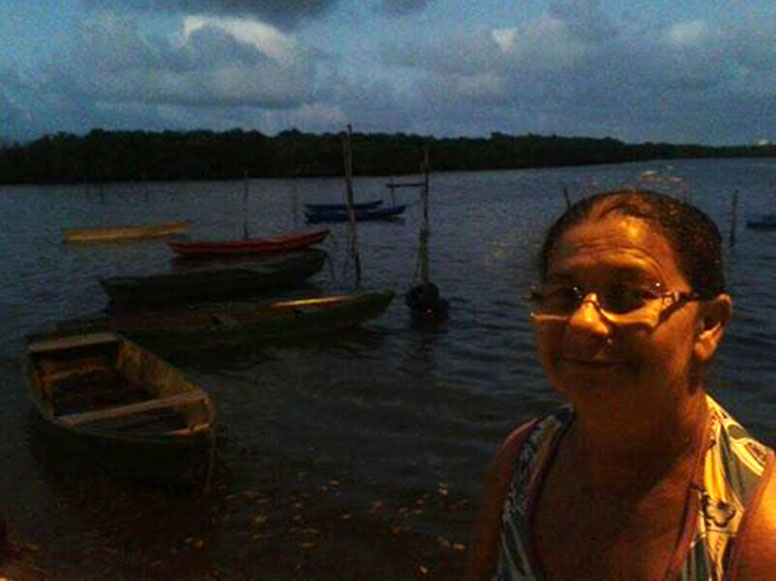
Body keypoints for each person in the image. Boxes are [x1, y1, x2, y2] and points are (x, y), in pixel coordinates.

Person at [466, 189, 776, 580]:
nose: (583, 322)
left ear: (708, 324)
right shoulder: (522, 462)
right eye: (564, 295)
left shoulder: (759, 528)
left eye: (630, 295)